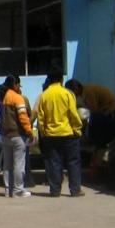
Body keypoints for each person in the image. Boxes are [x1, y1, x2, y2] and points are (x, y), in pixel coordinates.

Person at [36, 67, 84, 197]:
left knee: (54, 162)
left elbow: (41, 117)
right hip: (68, 133)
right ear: (61, 79)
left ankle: (55, 190)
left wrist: (44, 131)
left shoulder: (44, 95)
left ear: (49, 79)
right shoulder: (67, 94)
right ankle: (75, 190)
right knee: (73, 162)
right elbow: (73, 114)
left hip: (50, 135)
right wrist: (77, 129)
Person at [0, 74, 34, 198]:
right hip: (17, 135)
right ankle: (18, 190)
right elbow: (23, 117)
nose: (20, 87)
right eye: (19, 84)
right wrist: (29, 132)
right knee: (18, 164)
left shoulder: (4, 98)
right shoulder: (17, 98)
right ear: (15, 85)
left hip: (5, 136)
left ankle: (8, 189)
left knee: (7, 165)